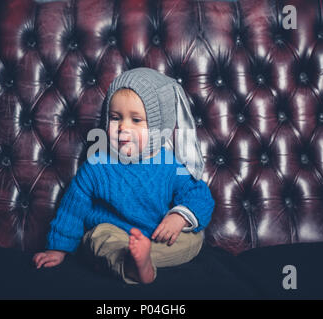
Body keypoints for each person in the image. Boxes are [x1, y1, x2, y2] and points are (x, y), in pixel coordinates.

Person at [33, 68, 215, 284]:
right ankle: (130, 263)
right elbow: (73, 208)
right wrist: (58, 249)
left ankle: (144, 259)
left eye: (136, 120)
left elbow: (200, 195)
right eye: (115, 118)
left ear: (159, 127)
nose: (123, 128)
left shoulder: (169, 163)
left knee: (192, 240)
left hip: (158, 236)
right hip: (117, 235)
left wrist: (180, 217)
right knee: (98, 238)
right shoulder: (97, 165)